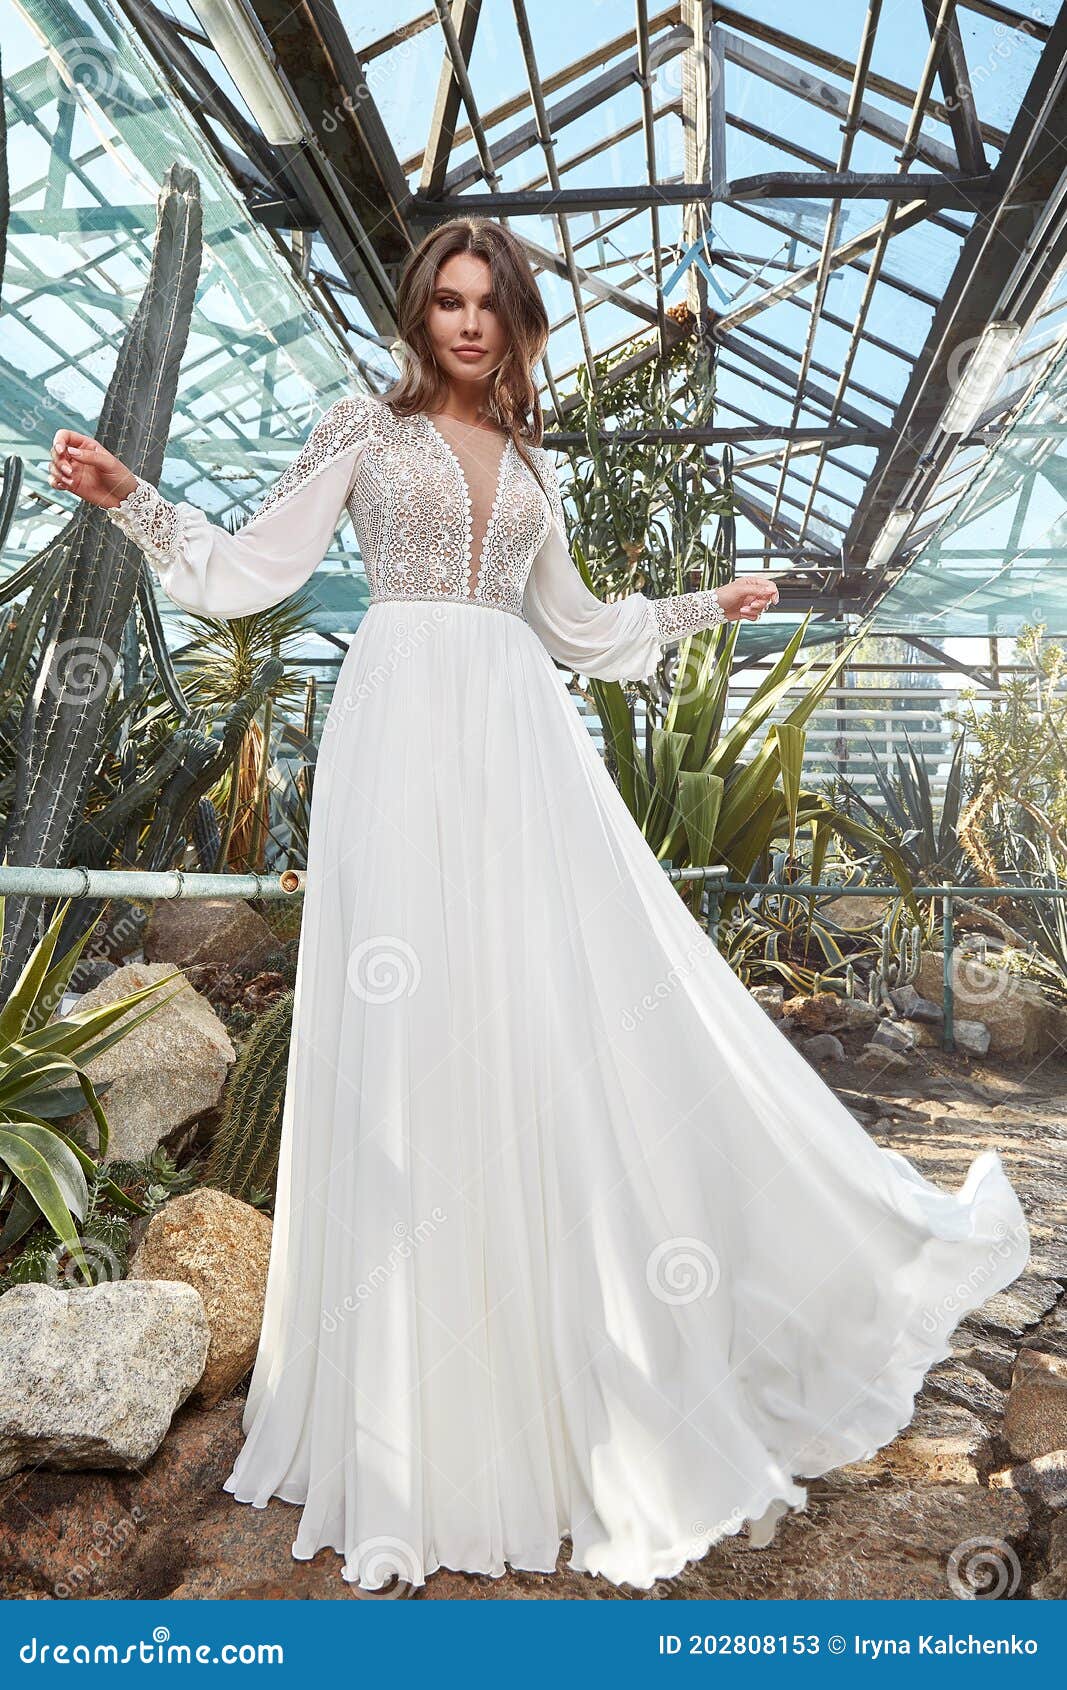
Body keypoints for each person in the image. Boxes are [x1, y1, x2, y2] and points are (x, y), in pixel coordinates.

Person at [49, 217, 1030, 1595]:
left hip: (519, 756)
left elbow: (580, 630)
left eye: (485, 302)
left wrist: (705, 607)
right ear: (419, 312)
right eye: (443, 300)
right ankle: (404, 1420)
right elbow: (251, 569)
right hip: (395, 743)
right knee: (408, 1049)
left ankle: (536, 1381)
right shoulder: (359, 429)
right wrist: (132, 496)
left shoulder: (532, 468)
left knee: (526, 1038)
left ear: (515, 322)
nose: (463, 322)